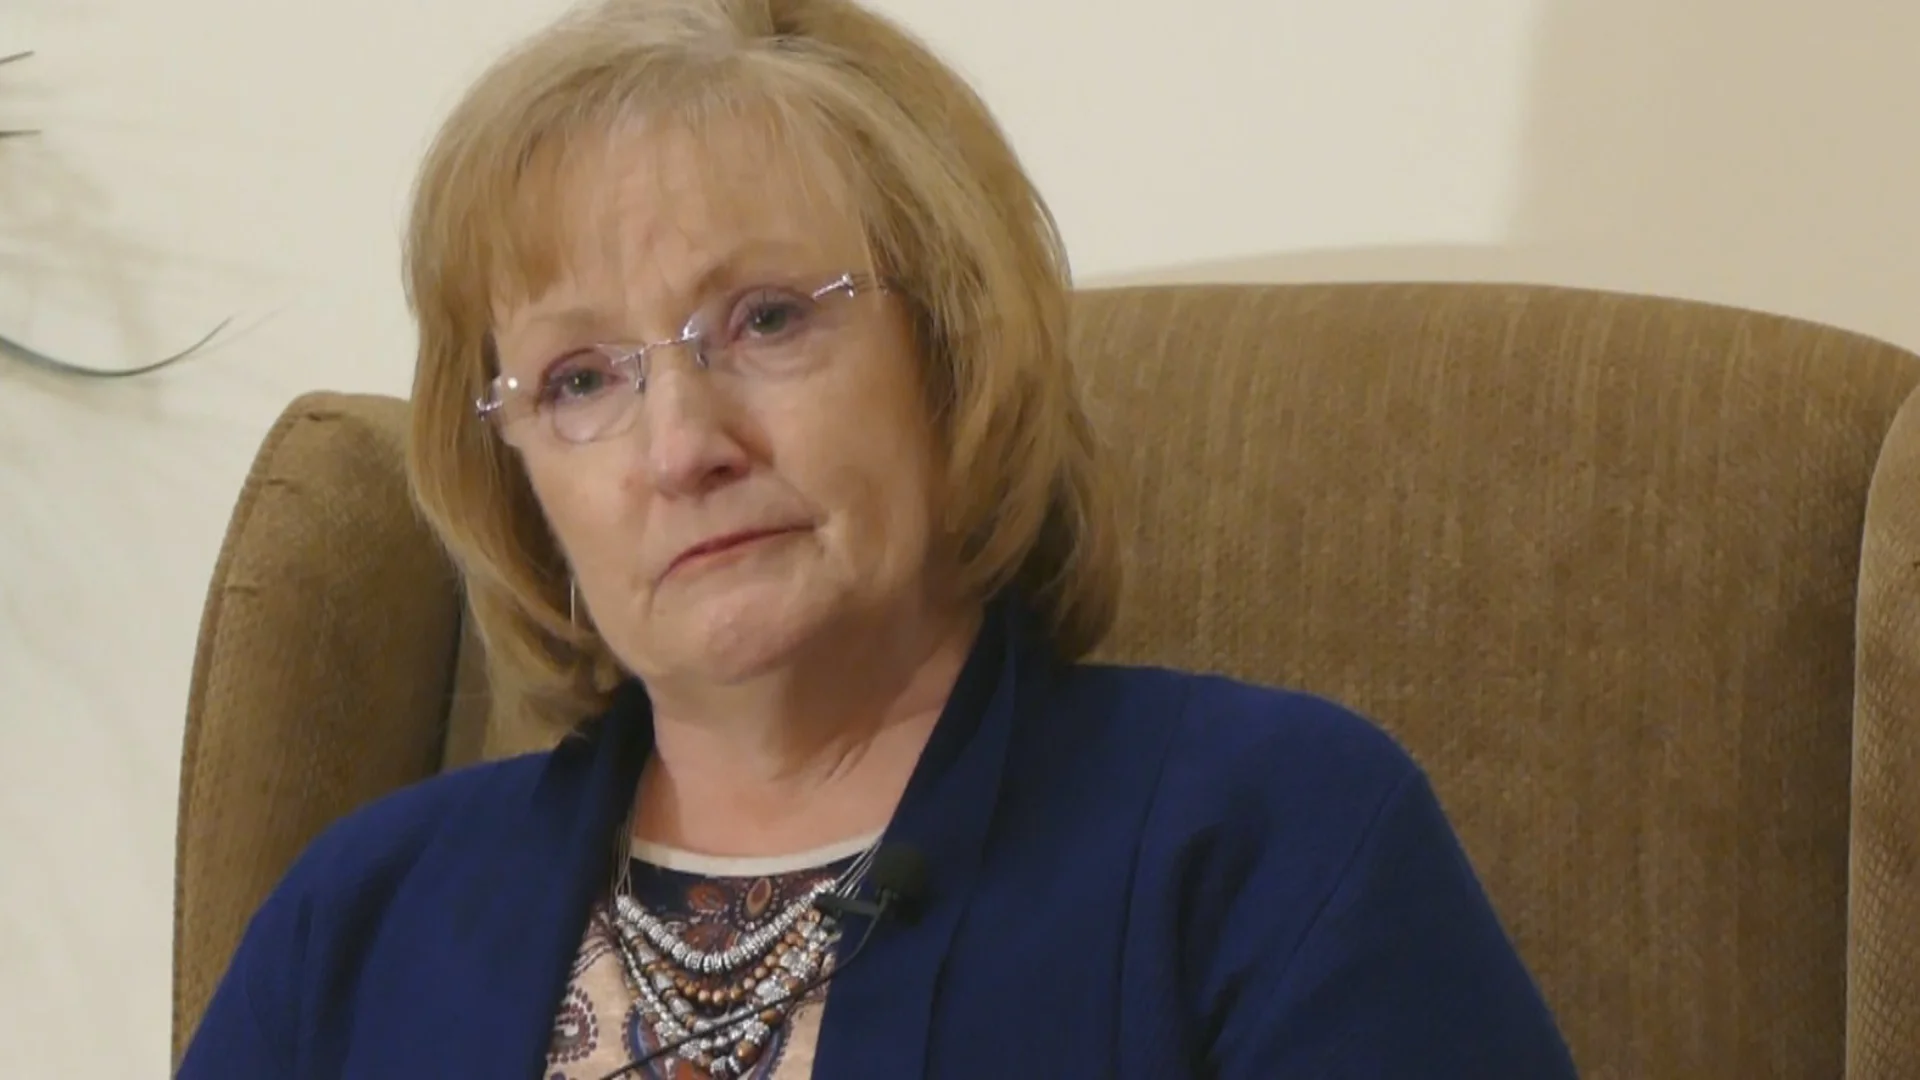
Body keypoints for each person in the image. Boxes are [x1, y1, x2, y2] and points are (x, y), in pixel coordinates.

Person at [177, 0, 1579, 1076]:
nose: (681, 444)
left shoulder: (1273, 841)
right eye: (582, 378)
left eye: (766, 319)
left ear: (952, 352)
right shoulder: (358, 921)